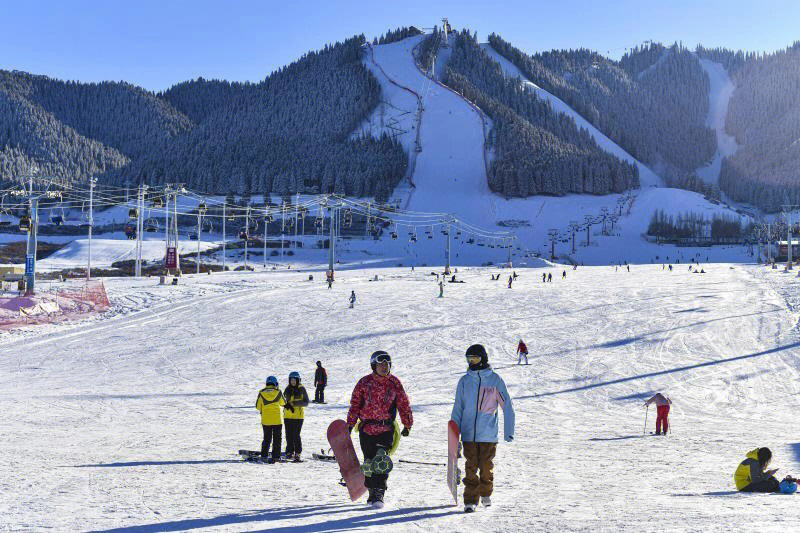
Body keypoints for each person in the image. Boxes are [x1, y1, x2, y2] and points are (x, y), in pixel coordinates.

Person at [451, 344, 515, 513]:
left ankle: (485, 493)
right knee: (470, 467)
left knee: (486, 467)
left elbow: (506, 406)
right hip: (468, 434)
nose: (472, 362)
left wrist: (509, 431)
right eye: (469, 359)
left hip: (488, 434)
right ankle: (470, 500)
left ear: (483, 359)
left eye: (475, 359)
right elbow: (458, 407)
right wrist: (454, 432)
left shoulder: (495, 380)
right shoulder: (464, 381)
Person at [347, 350, 413, 508]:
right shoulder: (364, 383)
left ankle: (379, 493)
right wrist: (350, 424)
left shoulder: (394, 383)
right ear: (373, 365)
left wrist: (407, 424)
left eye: (387, 364)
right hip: (367, 429)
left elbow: (403, 404)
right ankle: (371, 492)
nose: (384, 367)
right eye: (381, 364)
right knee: (369, 462)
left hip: (386, 429)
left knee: (381, 460)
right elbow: (355, 404)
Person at [256, 376, 286, 463]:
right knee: (277, 438)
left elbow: (258, 407)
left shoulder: (261, 393)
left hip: (266, 420)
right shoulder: (278, 392)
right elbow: (283, 403)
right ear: (275, 383)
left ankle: (264, 455)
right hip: (277, 420)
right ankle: (276, 456)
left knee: (267, 438)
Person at [283, 371, 309, 462]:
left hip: (298, 417)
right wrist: (286, 405)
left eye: (294, 380)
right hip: (287, 416)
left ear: (298, 380)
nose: (293, 382)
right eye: (291, 380)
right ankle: (289, 452)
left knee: (296, 435)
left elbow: (306, 402)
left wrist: (294, 404)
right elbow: (283, 400)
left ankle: (298, 453)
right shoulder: (287, 389)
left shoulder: (301, 389)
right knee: (288, 435)